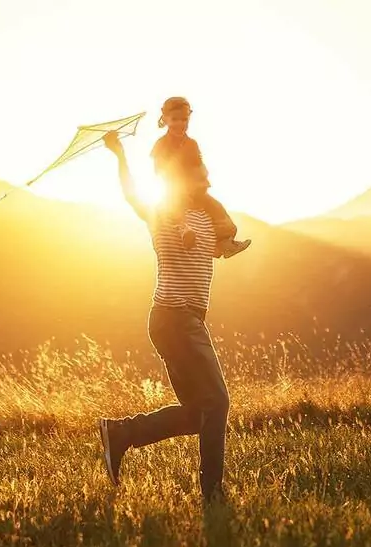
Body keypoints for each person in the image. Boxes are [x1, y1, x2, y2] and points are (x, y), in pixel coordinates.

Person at [97, 125, 231, 504]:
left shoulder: (207, 216)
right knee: (217, 403)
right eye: (199, 174)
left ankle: (121, 433)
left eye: (206, 173)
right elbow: (131, 194)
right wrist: (120, 155)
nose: (207, 179)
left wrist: (227, 245)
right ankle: (213, 493)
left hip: (182, 320)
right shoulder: (163, 217)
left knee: (198, 413)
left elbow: (218, 245)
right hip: (175, 318)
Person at [152, 96, 250, 258]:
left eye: (184, 119)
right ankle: (184, 229)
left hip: (196, 188)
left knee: (219, 210)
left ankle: (224, 242)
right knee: (175, 203)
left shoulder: (191, 143)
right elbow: (159, 169)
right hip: (176, 188)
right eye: (175, 119)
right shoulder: (162, 144)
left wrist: (202, 176)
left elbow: (198, 164)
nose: (180, 123)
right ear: (166, 118)